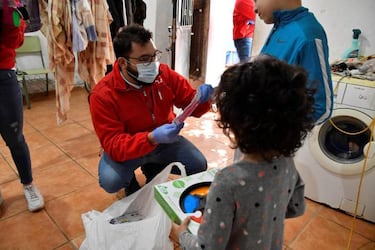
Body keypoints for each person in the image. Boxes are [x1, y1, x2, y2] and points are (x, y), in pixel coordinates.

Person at [170, 55, 315, 249]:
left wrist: (182, 235)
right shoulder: (286, 162)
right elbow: (296, 207)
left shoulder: (228, 181)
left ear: (233, 120)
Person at [89, 24, 214, 196]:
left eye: (154, 55)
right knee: (112, 180)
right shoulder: (103, 94)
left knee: (197, 163)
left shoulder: (164, 75)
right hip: (130, 146)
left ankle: (153, 167)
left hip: (164, 142)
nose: (153, 63)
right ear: (123, 63)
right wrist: (150, 138)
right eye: (144, 59)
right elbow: (114, 144)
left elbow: (191, 104)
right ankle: (130, 181)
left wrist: (205, 99)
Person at [0, 0, 44, 212]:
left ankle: (29, 184)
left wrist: (10, 13)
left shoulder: (10, 3)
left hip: (3, 74)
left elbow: (15, 41)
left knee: (15, 137)